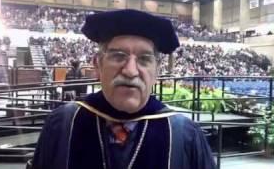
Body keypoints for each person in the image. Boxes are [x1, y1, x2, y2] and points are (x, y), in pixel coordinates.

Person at [32, 9, 216, 169]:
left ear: (157, 71)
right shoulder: (63, 124)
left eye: (144, 59)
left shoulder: (184, 135)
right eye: (118, 56)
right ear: (98, 65)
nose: (130, 71)